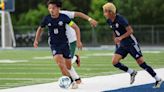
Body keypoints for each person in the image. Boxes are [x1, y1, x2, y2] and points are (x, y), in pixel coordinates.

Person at [102, 2, 163, 88]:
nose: (104, 14)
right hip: (122, 44)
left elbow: (130, 31)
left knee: (141, 62)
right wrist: (116, 40)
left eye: (105, 11)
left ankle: (158, 79)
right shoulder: (109, 20)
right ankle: (132, 72)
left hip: (131, 43)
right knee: (114, 62)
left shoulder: (120, 19)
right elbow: (114, 31)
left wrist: (120, 38)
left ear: (111, 12)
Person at [33, 0, 82, 89]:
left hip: (65, 44)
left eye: (53, 8)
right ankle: (71, 82)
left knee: (68, 66)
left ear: (58, 8)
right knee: (60, 64)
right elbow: (40, 29)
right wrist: (36, 40)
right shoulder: (46, 19)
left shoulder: (64, 18)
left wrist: (78, 41)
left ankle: (75, 57)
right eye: (49, 8)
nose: (51, 10)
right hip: (54, 45)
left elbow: (76, 28)